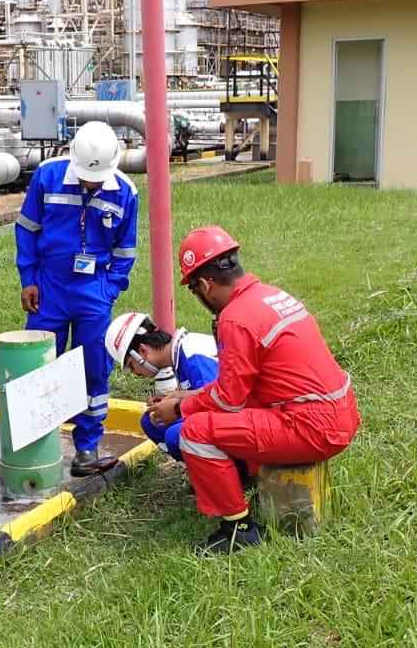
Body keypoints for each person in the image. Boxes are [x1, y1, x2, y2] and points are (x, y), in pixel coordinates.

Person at [145, 226, 360, 555]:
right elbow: (243, 386)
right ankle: (246, 484)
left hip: (312, 426)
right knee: (218, 416)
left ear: (205, 285)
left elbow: (229, 400)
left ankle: (238, 528)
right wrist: (186, 397)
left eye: (194, 289)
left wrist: (177, 409)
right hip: (336, 413)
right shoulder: (270, 296)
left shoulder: (235, 318)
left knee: (194, 432)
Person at [15, 120, 139, 476]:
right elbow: (27, 228)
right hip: (48, 288)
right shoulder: (48, 175)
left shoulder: (125, 192)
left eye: (96, 180)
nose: (90, 185)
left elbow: (125, 251)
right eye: (86, 177)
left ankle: (87, 446)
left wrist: (108, 290)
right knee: (39, 364)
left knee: (93, 366)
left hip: (93, 292)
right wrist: (28, 279)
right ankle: (36, 446)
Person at [105, 310, 218, 460]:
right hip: (221, 418)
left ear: (142, 351)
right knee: (151, 421)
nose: (134, 373)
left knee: (175, 435)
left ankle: (229, 470)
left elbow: (217, 404)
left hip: (234, 424)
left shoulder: (193, 358)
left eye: (131, 366)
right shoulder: (180, 354)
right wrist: (170, 401)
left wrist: (177, 406)